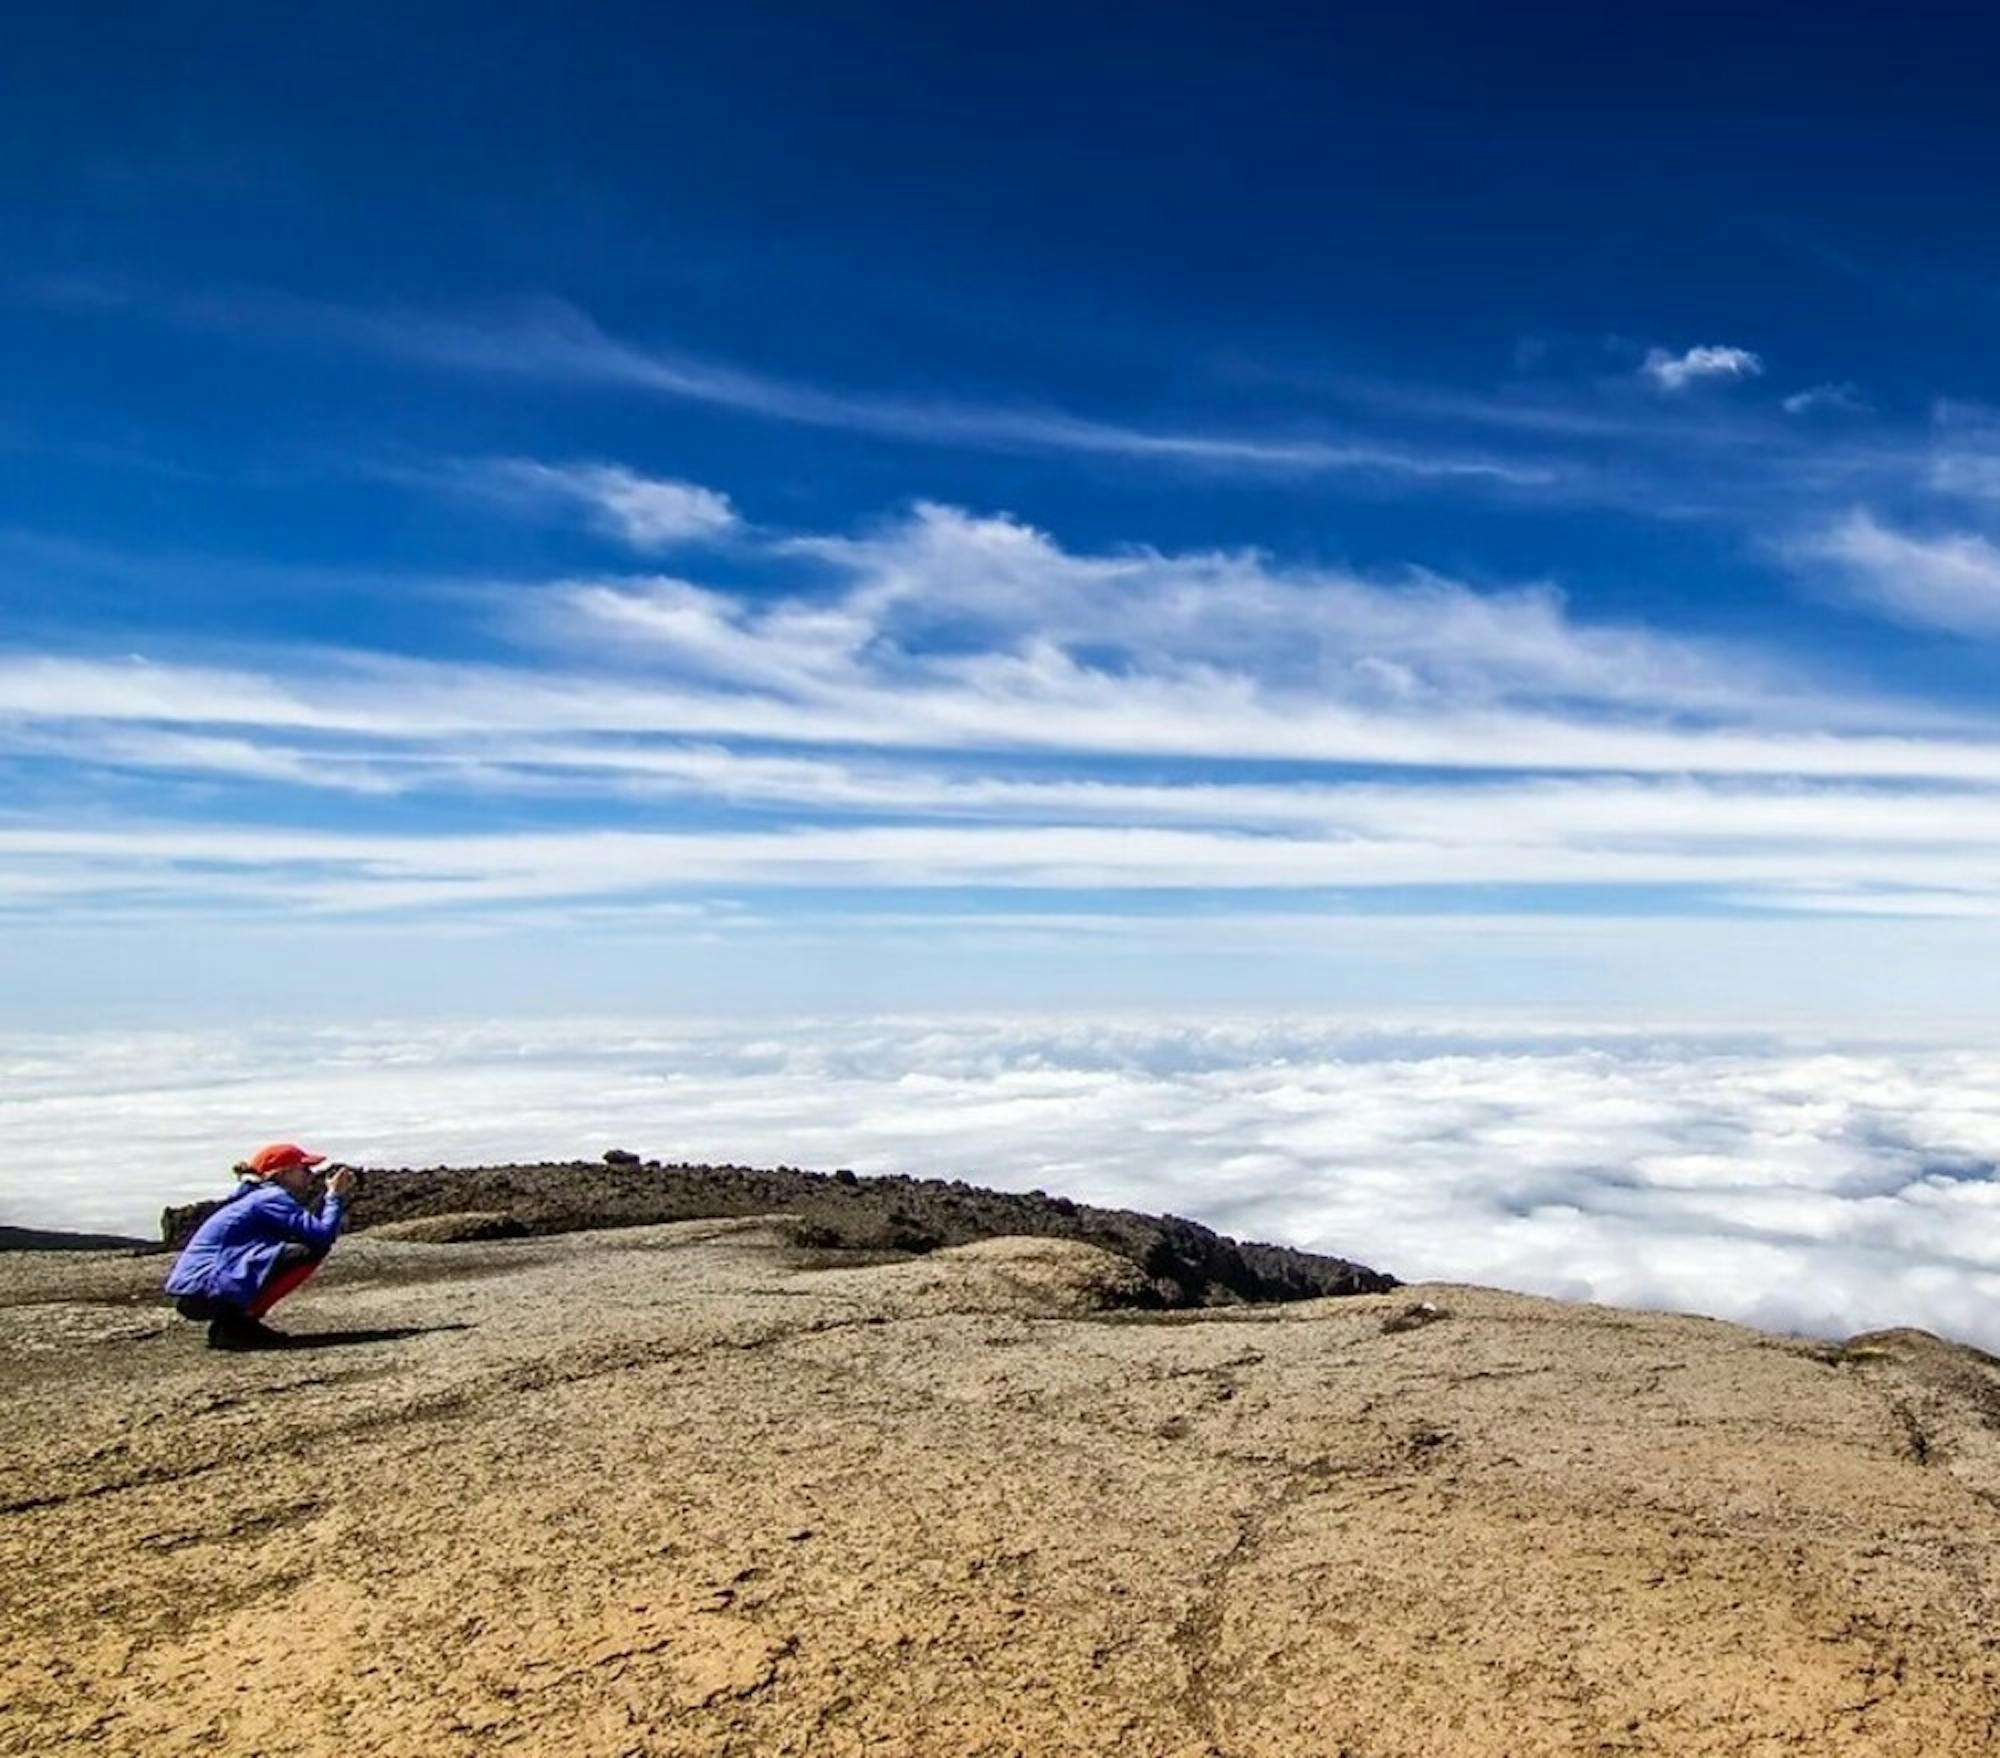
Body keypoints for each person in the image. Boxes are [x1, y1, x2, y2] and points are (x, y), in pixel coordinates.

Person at [164, 1143, 356, 1350]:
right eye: (304, 1169)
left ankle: (235, 1324)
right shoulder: (270, 1198)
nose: (310, 1175)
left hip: (197, 1291)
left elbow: (306, 1227)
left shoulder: (257, 1196)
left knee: (297, 1249)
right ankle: (238, 1323)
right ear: (284, 1173)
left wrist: (328, 1199)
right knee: (310, 1251)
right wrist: (333, 1197)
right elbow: (322, 1236)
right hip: (207, 1290)